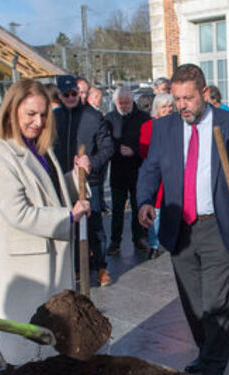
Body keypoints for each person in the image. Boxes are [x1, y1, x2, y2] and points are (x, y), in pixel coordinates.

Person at [137, 63, 229, 375]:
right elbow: (150, 169)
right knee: (193, 303)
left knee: (218, 303)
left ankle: (215, 366)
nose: (182, 106)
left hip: (220, 226)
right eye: (176, 99)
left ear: (204, 94)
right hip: (181, 229)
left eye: (188, 98)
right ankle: (206, 353)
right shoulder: (163, 129)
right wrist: (145, 201)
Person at [0, 79, 91, 375]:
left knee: (40, 336)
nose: (38, 122)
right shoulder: (0, 154)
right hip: (23, 263)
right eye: (30, 114)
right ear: (11, 110)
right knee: (21, 339)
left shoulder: (36, 147)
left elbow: (50, 193)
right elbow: (19, 212)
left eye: (43, 115)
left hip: (45, 259)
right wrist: (67, 216)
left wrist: (75, 178)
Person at [51, 75, 114, 286]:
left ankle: (101, 267)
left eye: (74, 94)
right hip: (62, 181)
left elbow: (107, 147)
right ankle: (77, 267)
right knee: (70, 223)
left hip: (89, 181)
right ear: (59, 95)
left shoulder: (92, 116)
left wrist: (91, 162)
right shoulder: (53, 117)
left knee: (95, 225)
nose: (70, 97)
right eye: (66, 94)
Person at [106, 85, 150, 255]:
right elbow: (106, 143)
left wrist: (134, 150)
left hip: (137, 170)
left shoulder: (143, 118)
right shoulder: (109, 119)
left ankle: (138, 238)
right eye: (120, 103)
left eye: (126, 102)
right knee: (117, 208)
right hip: (118, 171)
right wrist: (118, 150)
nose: (123, 106)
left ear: (132, 101)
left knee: (137, 206)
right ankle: (115, 241)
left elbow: (148, 143)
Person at [139, 92, 175, 259]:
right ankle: (154, 243)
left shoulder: (177, 124)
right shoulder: (148, 126)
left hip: (172, 172)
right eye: (164, 107)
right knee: (155, 209)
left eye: (170, 106)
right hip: (155, 173)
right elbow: (144, 149)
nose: (167, 110)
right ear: (157, 110)